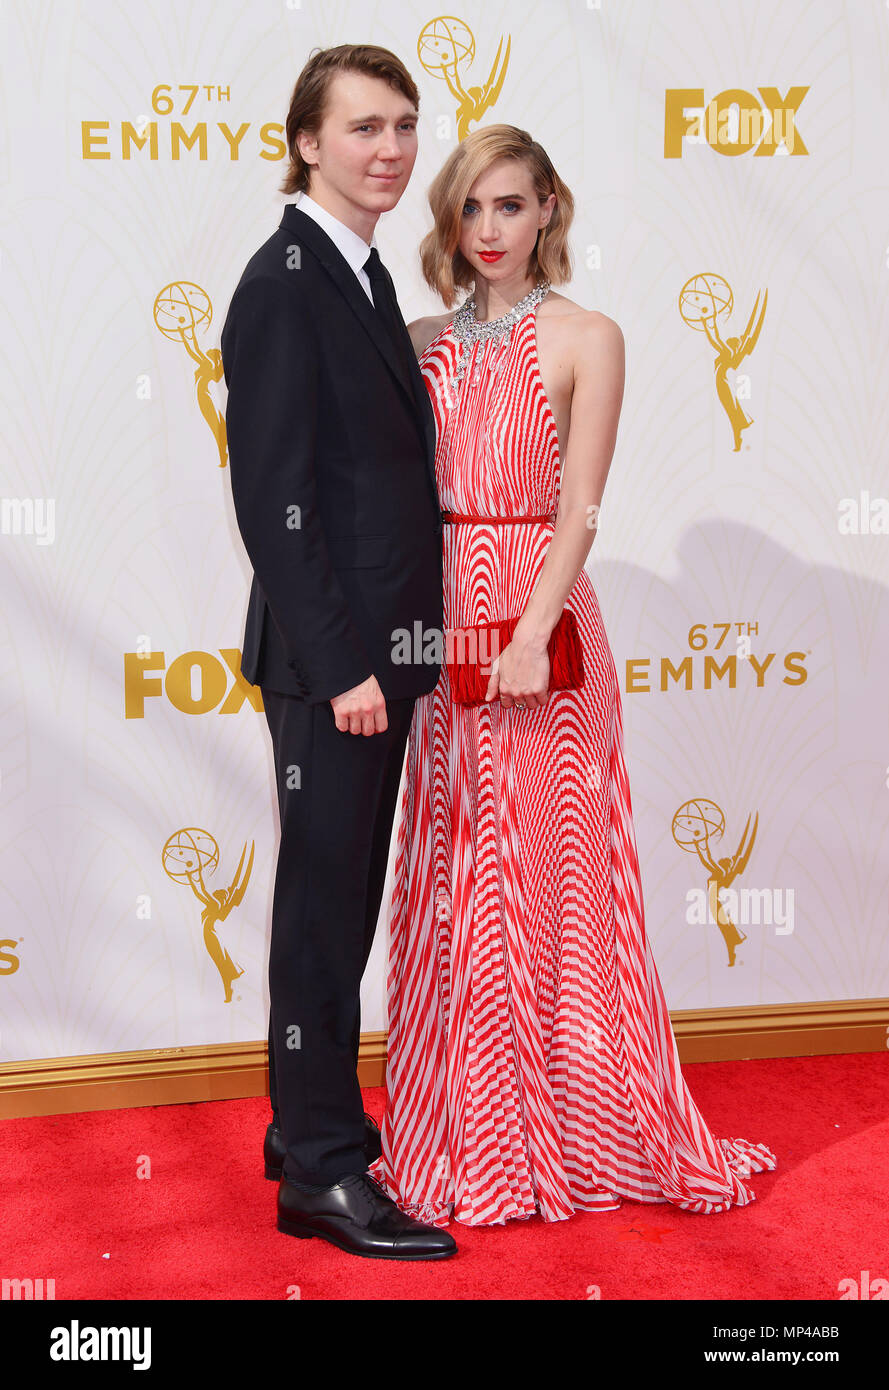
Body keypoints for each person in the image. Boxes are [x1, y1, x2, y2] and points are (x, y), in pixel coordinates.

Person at [369, 124, 778, 1226]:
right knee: (458, 872)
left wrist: (526, 627)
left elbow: (580, 507)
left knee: (551, 877)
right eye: (470, 209)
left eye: (510, 205)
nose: (490, 229)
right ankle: (465, 1129)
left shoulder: (590, 335)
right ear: (448, 224)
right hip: (446, 612)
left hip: (537, 621)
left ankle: (585, 1125)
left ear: (549, 208)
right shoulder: (414, 343)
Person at [220, 44, 456, 1260]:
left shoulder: (353, 272)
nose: (392, 148)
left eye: (407, 124)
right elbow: (274, 498)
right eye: (364, 126)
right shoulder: (285, 280)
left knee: (340, 907)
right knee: (323, 917)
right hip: (336, 668)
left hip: (379, 654)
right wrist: (346, 662)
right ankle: (321, 1169)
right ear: (308, 141)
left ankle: (299, 1122)